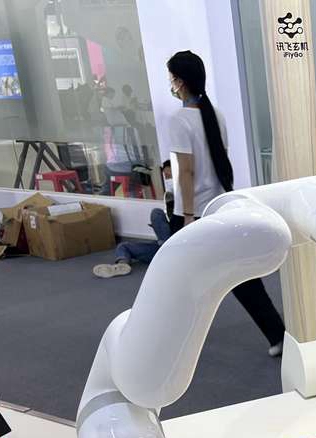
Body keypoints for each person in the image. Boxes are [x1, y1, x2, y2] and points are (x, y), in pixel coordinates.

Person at [165, 50, 286, 357]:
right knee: (240, 276)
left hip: (192, 212)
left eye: (172, 78)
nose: (171, 84)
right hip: (219, 205)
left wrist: (187, 218)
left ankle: (171, 344)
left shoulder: (179, 120)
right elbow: (221, 161)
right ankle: (277, 334)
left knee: (177, 279)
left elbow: (186, 172)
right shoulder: (215, 114)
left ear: (180, 82)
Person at [93, 161, 174, 278]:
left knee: (156, 213)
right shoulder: (171, 194)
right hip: (161, 247)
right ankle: (122, 265)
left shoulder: (188, 198)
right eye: (166, 175)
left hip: (175, 245)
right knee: (123, 246)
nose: (167, 178)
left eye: (169, 175)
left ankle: (167, 254)